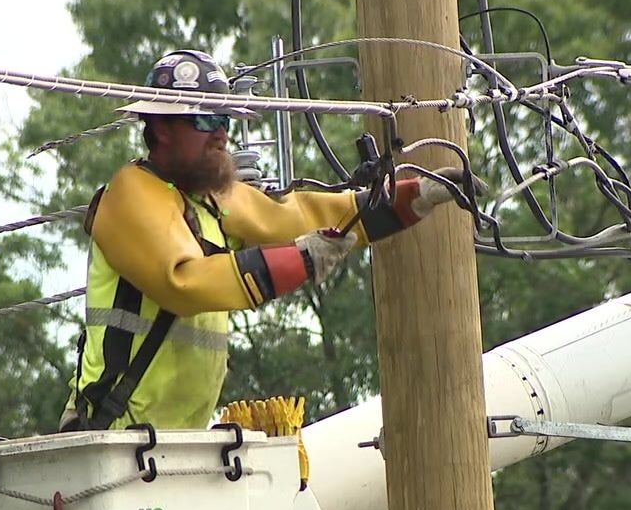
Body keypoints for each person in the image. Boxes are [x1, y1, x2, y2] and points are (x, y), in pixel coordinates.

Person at [59, 49, 472, 432]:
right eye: (207, 120)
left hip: (174, 442)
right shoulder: (130, 194)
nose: (221, 134)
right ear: (162, 128)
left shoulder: (209, 198)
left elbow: (299, 217)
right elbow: (183, 281)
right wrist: (304, 260)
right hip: (112, 436)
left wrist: (414, 196)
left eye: (225, 120)